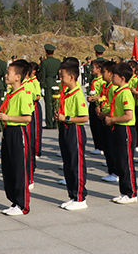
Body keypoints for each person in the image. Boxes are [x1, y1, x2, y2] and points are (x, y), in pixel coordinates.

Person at [0, 59, 33, 216]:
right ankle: (13, 201)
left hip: (18, 132)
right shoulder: (12, 93)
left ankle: (22, 204)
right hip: (8, 132)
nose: (6, 76)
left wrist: (7, 116)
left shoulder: (23, 94)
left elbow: (27, 118)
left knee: (19, 169)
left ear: (18, 77)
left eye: (8, 73)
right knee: (9, 167)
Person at [57, 59, 89, 210]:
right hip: (65, 128)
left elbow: (84, 117)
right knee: (68, 162)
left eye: (62, 76)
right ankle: (72, 195)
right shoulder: (67, 93)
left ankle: (80, 197)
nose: (60, 79)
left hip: (75, 130)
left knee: (76, 163)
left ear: (71, 77)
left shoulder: (77, 94)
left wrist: (67, 118)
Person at [105, 62, 138, 204]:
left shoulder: (125, 93)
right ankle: (124, 191)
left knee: (126, 161)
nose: (112, 77)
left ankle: (131, 193)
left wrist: (112, 119)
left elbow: (128, 115)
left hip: (125, 128)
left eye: (115, 75)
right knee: (120, 161)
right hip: (118, 128)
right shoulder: (118, 91)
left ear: (123, 78)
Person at [38, 44, 62, 130]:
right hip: (55, 83)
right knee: (56, 103)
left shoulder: (44, 62)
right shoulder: (58, 62)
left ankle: (49, 123)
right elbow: (59, 74)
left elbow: (43, 75)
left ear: (46, 52)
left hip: (47, 83)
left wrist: (42, 85)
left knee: (48, 104)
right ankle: (56, 122)